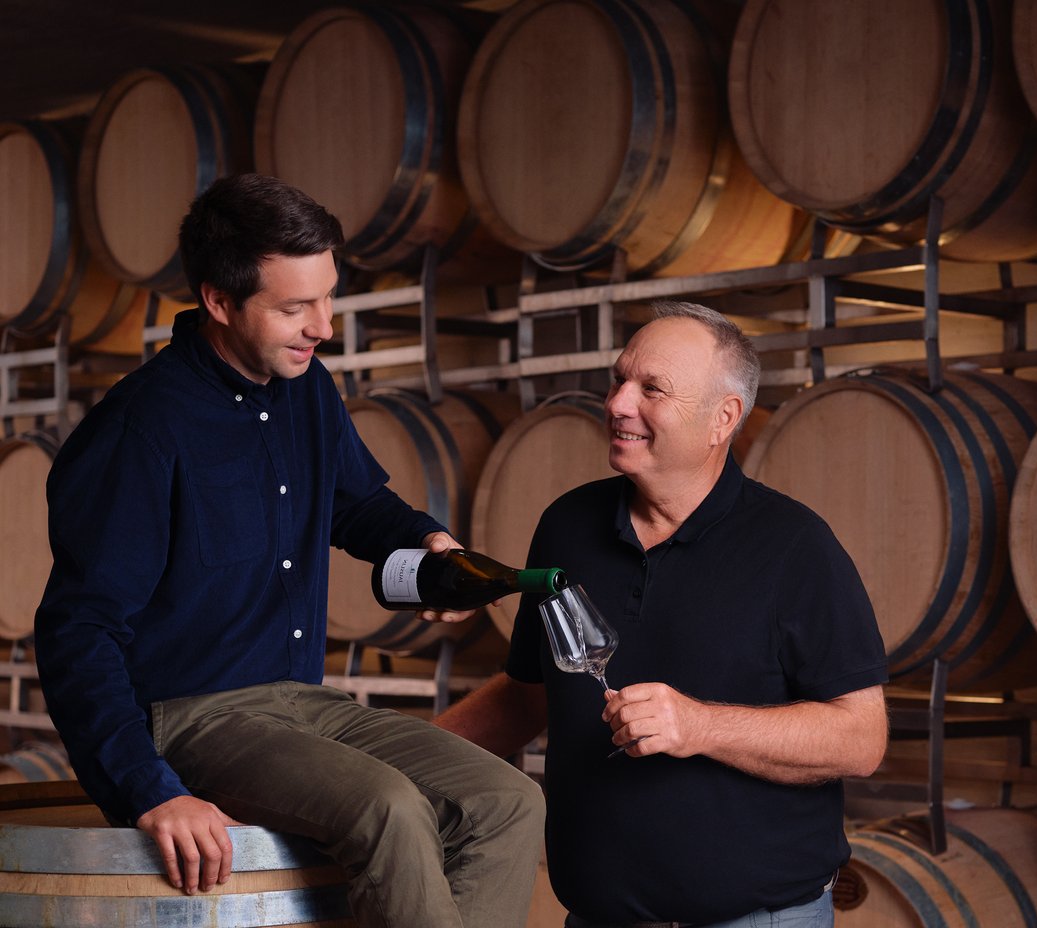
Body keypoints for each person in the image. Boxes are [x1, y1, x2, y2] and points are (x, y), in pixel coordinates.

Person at [34, 173, 544, 928]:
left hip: (305, 704)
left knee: (507, 799)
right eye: (294, 307)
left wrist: (425, 542)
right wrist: (152, 789)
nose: (324, 326)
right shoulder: (142, 429)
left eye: (328, 296)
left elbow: (357, 505)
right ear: (218, 301)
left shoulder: (307, 388)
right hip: (195, 717)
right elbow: (78, 629)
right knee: (391, 808)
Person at [438, 301, 889, 927]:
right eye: (620, 379)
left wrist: (700, 726)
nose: (619, 403)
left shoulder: (794, 547)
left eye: (653, 389)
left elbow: (860, 739)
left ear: (722, 419)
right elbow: (528, 697)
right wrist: (395, 763)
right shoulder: (568, 525)